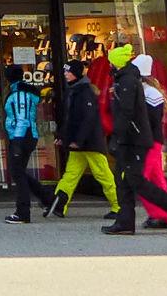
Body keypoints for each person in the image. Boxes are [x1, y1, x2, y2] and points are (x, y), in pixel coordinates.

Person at [102, 46, 167, 236]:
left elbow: (128, 114)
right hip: (136, 139)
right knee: (130, 181)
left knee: (137, 180)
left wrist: (119, 135)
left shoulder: (131, 84)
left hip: (137, 141)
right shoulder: (129, 82)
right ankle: (129, 221)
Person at [48, 57, 118, 219]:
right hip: (80, 143)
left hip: (90, 143)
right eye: (65, 70)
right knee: (71, 174)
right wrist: (63, 137)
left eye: (68, 71)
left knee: (102, 174)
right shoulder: (75, 90)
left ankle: (118, 205)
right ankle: (58, 204)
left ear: (76, 74)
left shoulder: (84, 92)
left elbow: (88, 119)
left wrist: (76, 140)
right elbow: (70, 119)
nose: (65, 74)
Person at [0, 63, 54, 224]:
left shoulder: (19, 94)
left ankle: (23, 211)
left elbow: (22, 119)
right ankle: (47, 198)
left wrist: (16, 141)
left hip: (21, 136)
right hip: (26, 136)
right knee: (19, 171)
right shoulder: (23, 91)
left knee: (17, 173)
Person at [133, 53, 167, 230]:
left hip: (148, 142)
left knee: (140, 180)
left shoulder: (148, 93)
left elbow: (148, 121)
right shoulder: (153, 92)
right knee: (157, 179)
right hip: (154, 141)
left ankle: (162, 213)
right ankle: (166, 215)